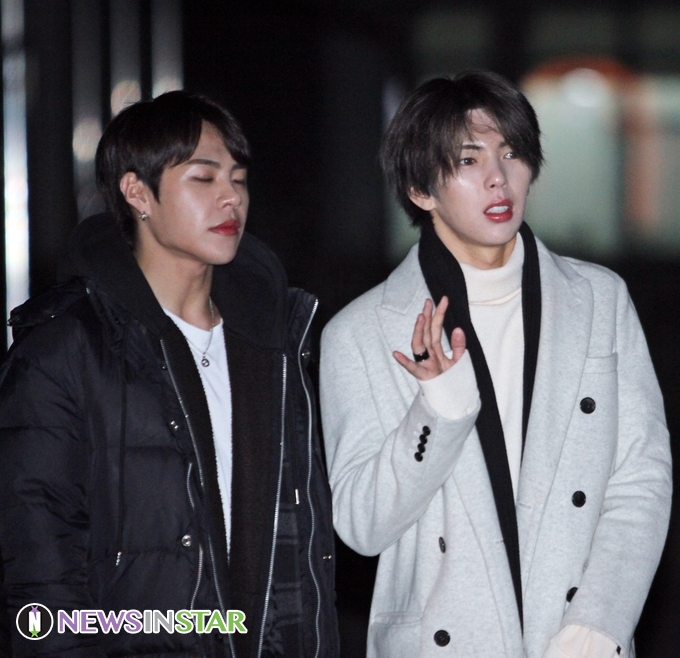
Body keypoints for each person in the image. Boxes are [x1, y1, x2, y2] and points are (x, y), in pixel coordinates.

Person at [319, 71, 672, 658]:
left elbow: (641, 478)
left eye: (511, 154)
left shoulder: (598, 300)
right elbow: (361, 525)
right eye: (468, 159)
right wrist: (438, 410)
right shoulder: (360, 333)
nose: (498, 178)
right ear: (421, 189)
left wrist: (598, 625)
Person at [0, 90, 339, 657]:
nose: (231, 197)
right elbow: (40, 576)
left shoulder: (277, 345)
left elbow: (302, 556)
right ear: (138, 193)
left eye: (238, 179)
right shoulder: (67, 351)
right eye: (204, 178)